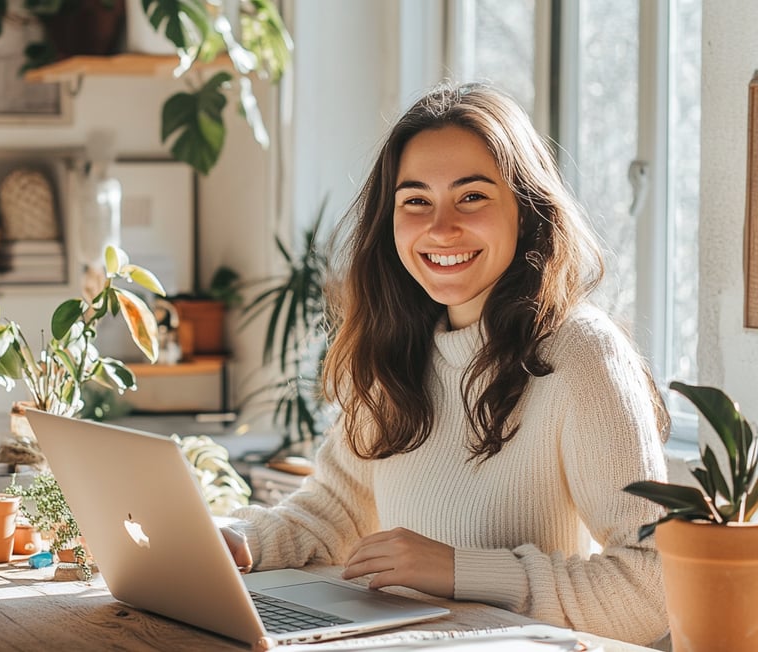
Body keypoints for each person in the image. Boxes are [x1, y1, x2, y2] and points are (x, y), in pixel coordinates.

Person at [222, 81, 670, 647]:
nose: (440, 228)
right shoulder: (398, 347)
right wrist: (239, 540)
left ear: (526, 210)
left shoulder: (581, 354)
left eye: (473, 196)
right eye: (416, 201)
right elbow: (333, 512)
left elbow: (653, 587)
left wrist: (461, 570)